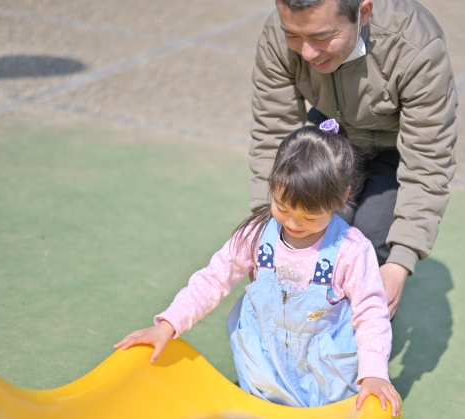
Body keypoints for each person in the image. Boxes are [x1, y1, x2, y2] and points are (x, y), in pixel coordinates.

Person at [114, 120, 401, 417]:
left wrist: (374, 373)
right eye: (282, 207)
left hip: (325, 376)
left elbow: (371, 312)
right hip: (264, 368)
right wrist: (168, 324)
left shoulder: (351, 250)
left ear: (341, 198)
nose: (292, 223)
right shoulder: (256, 235)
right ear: (273, 186)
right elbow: (213, 279)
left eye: (309, 217)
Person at [249, 0, 457, 318]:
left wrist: (401, 261)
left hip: (394, 150)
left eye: (321, 36)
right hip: (330, 137)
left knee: (372, 245)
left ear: (363, 12)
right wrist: (269, 228)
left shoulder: (417, 45)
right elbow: (274, 132)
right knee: (312, 229)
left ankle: (359, 353)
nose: (306, 53)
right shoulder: (283, 30)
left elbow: (428, 157)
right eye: (293, 35)